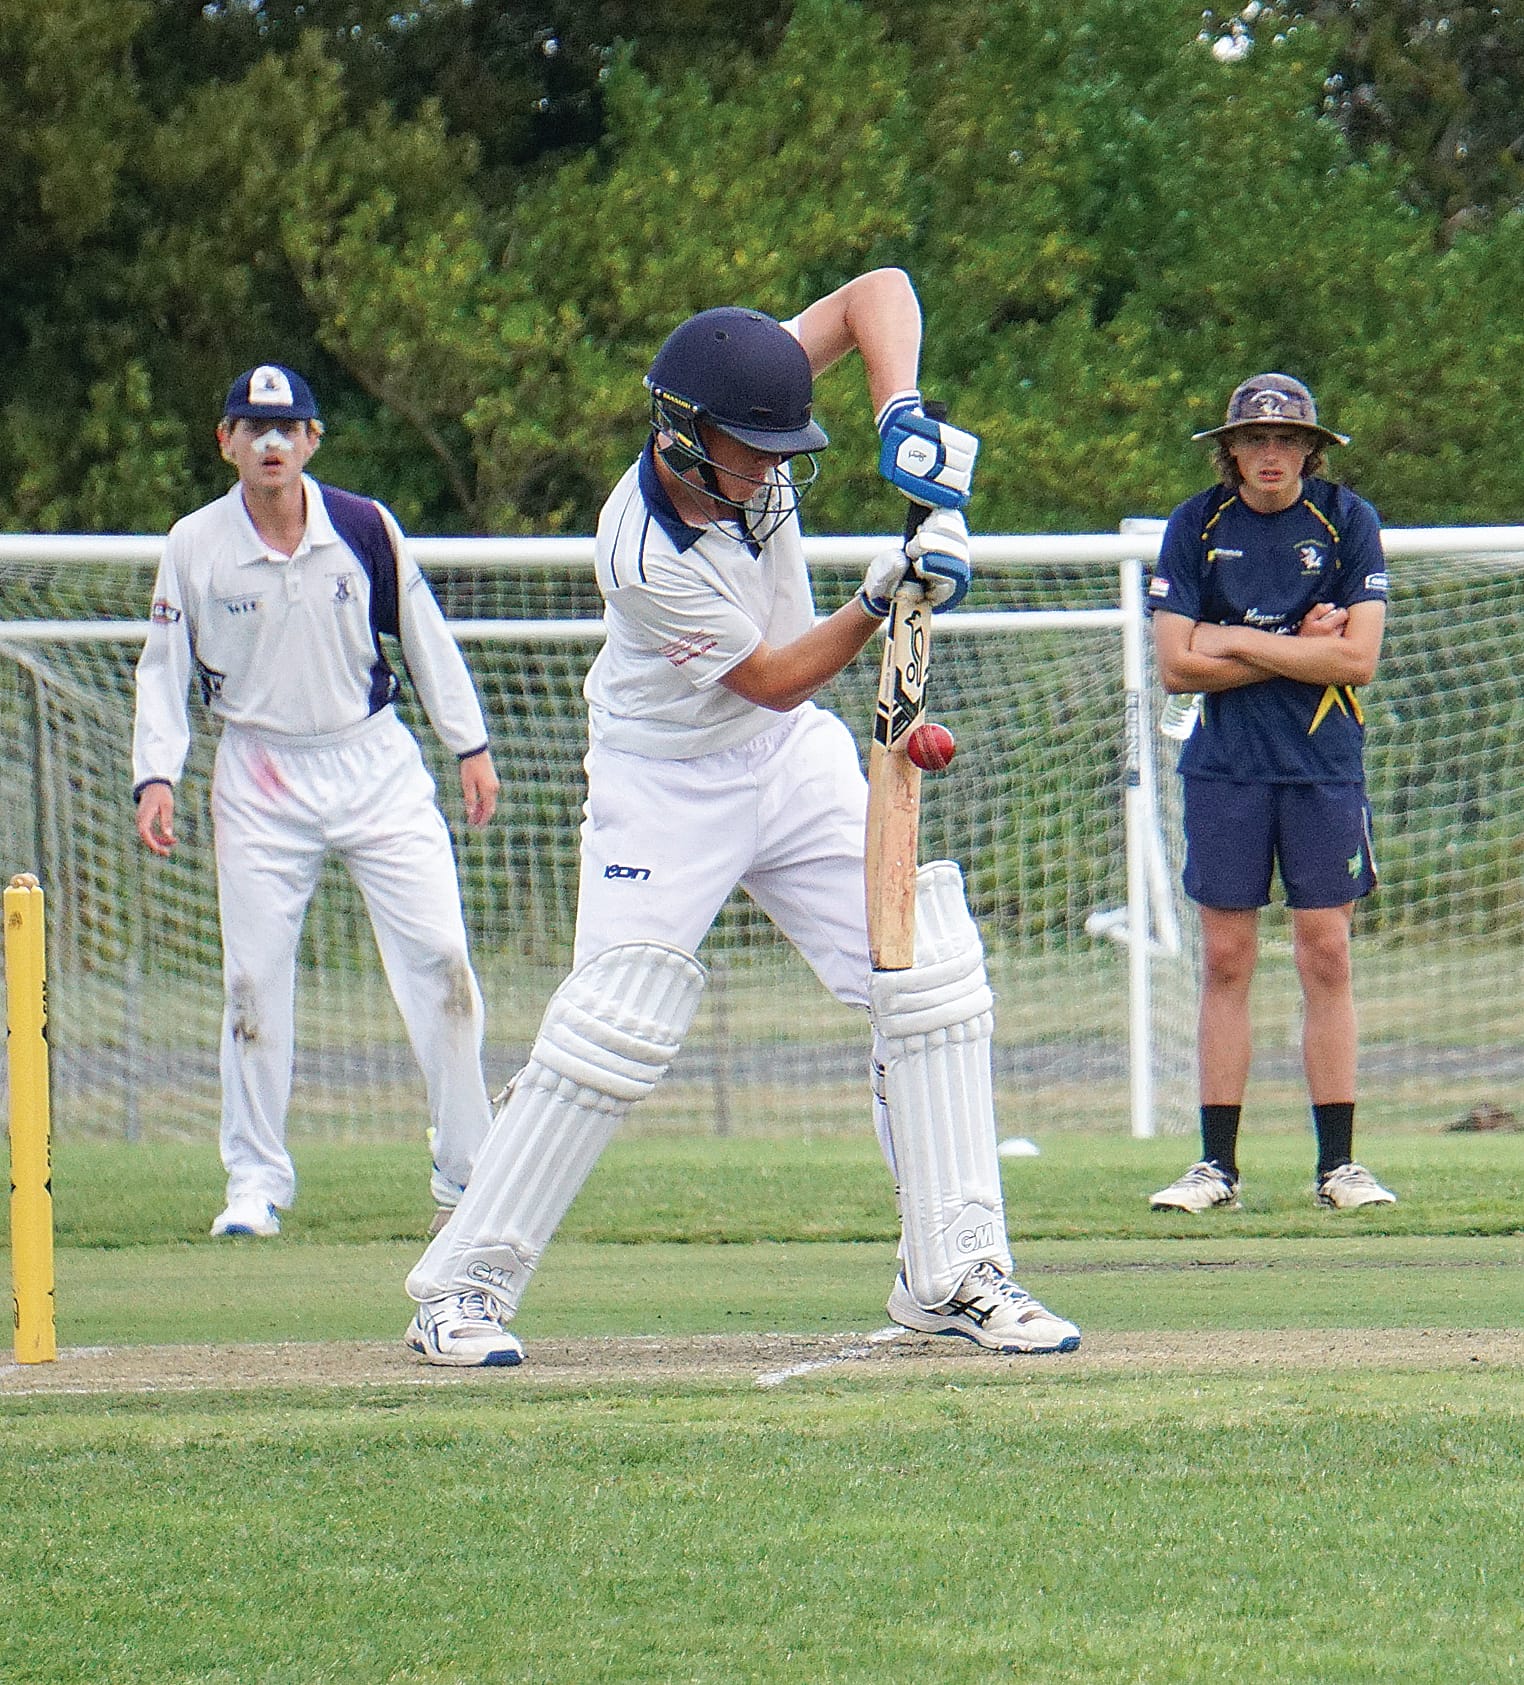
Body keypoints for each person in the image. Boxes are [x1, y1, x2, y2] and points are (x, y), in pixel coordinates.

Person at [401, 268, 1082, 1366]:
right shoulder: (640, 552)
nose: (771, 470)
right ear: (681, 434)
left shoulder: (743, 399)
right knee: (612, 1029)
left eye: (783, 446)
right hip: (665, 782)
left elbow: (881, 294)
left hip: (789, 763)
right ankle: (460, 1288)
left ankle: (951, 1271)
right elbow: (770, 675)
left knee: (928, 975)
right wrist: (880, 595)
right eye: (752, 449)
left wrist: (899, 411)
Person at [131, 364, 501, 1239]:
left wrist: (470, 744)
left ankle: (466, 1167)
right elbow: (162, 669)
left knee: (445, 965)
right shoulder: (194, 543)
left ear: (312, 440)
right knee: (254, 982)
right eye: (251, 428)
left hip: (372, 761)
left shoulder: (365, 528)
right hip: (259, 774)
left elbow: (425, 637)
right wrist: (158, 771)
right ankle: (255, 1184)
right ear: (224, 441)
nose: (270, 444)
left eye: (287, 428)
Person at [1146, 372, 1396, 1214]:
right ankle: (1216, 1166)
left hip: (1325, 765)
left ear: (1311, 450)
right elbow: (1177, 663)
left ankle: (1340, 1167)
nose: (1271, 454)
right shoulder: (1197, 524)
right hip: (1225, 765)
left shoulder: (1346, 521)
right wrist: (1295, 641)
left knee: (1325, 951)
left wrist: (1233, 638)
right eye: (1255, 439)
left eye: (1287, 439)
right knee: (1226, 957)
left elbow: (1356, 660)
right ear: (1232, 450)